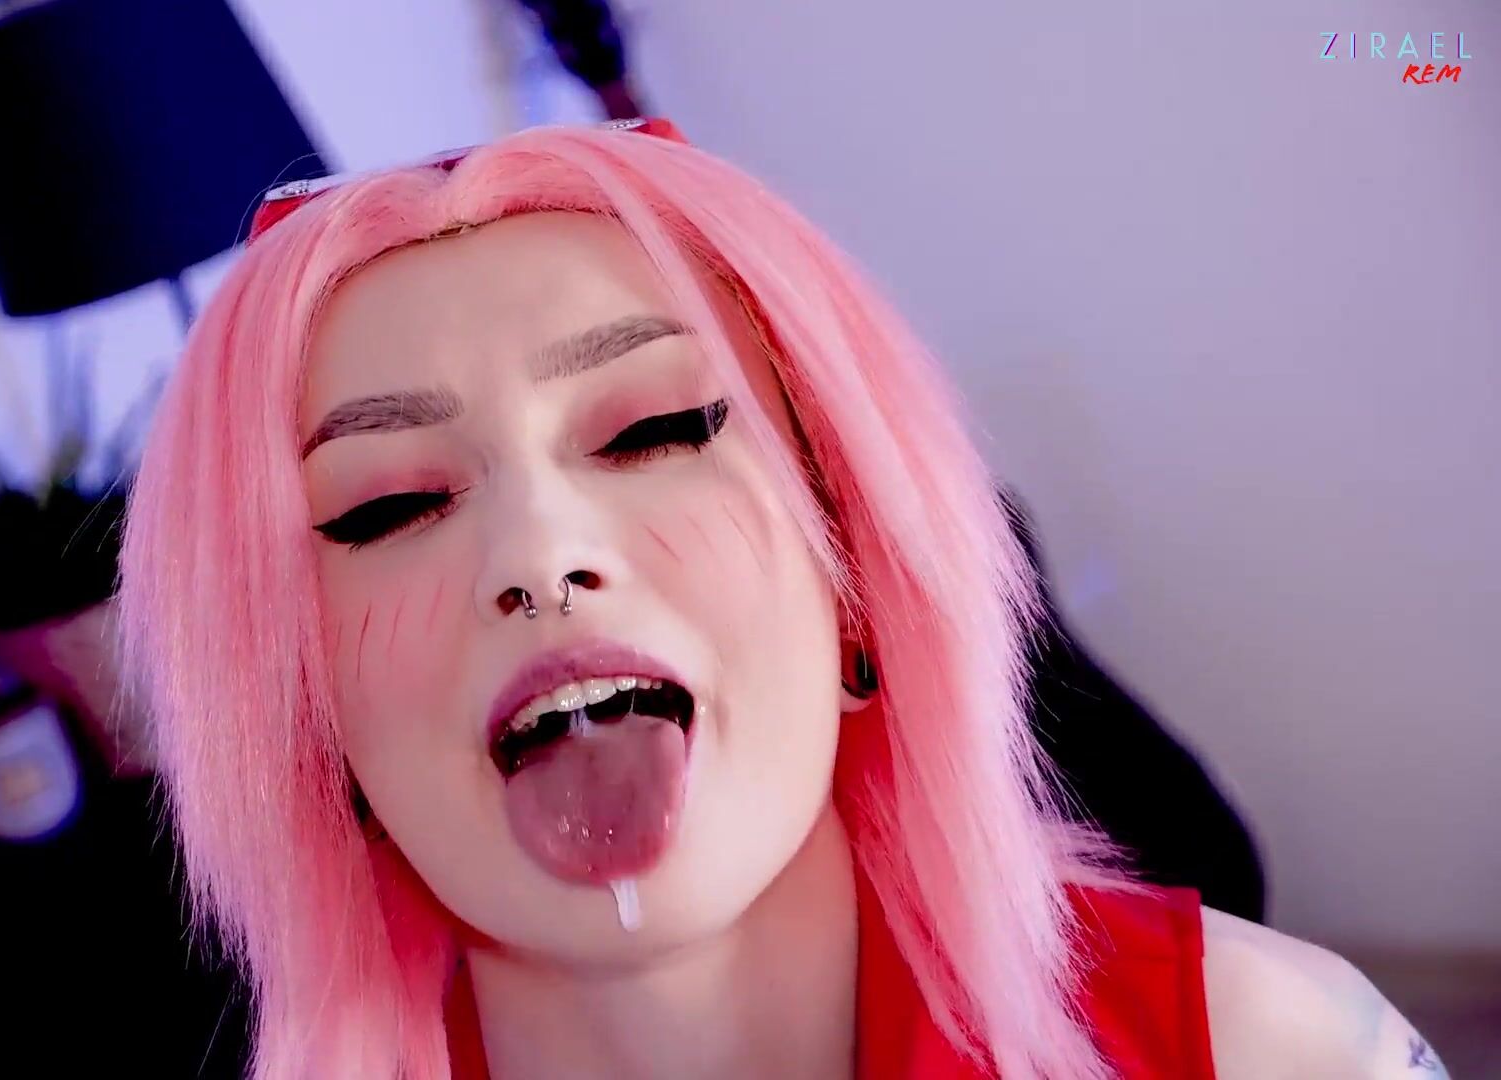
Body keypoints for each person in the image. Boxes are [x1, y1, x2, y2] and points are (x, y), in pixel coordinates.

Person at [116, 121, 1445, 1078]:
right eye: (387, 507)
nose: (539, 553)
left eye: (654, 430)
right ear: (305, 714)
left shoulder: (1274, 1048)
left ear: (856, 576)